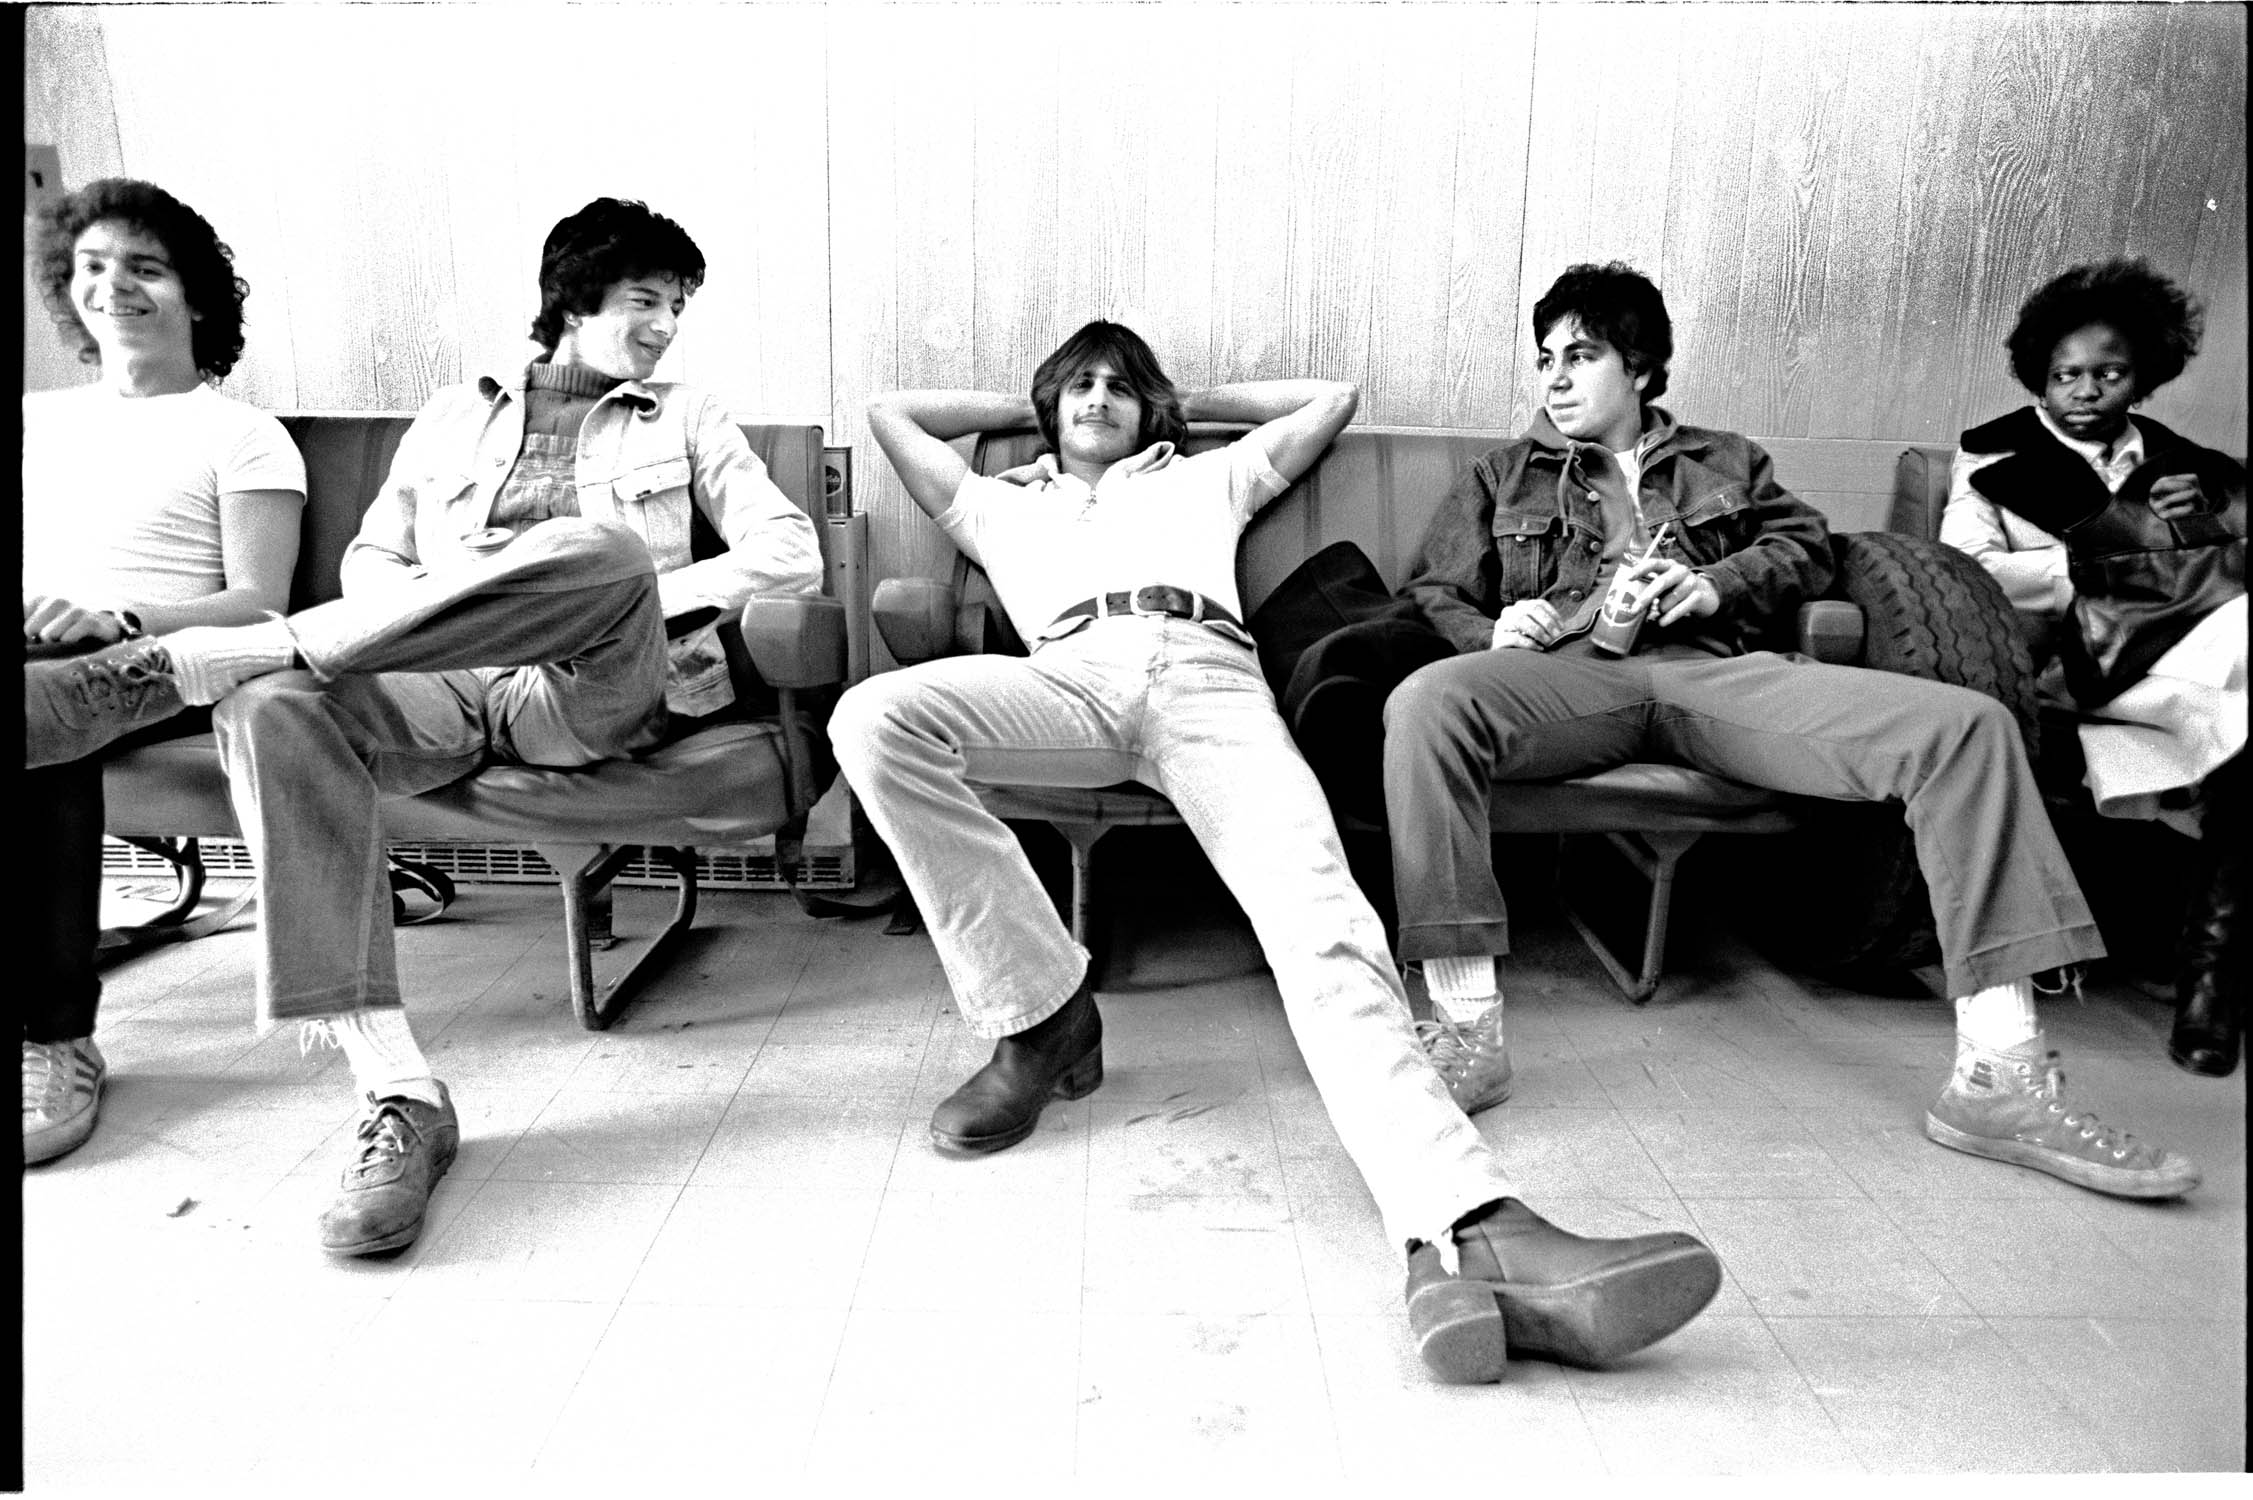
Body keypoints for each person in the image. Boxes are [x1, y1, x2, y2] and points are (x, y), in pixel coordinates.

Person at [830, 320, 1723, 1385]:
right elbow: (889, 412)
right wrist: (1037, 410)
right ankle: (1041, 1014)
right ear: (1049, 405)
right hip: (1065, 678)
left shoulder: (1204, 478)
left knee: (1322, 921)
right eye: (1080, 387)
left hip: (1212, 682)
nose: (1098, 399)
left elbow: (1330, 398)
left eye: (1120, 387)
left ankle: (1462, 1231)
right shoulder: (995, 504)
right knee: (872, 719)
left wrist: (1176, 406)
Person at [25, 198, 825, 1255]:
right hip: (434, 677)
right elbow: (373, 561)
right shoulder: (452, 417)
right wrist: (430, 621)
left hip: (582, 684)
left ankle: (205, 659)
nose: (666, 325)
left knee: (604, 555)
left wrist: (625, 603)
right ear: (574, 301)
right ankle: (398, 1092)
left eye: (677, 307)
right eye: (645, 299)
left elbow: (789, 554)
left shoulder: (687, 414)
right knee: (274, 706)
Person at [1382, 262, 2200, 1200]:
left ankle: (1999, 1078)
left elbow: (1810, 546)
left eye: (1581, 356)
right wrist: (1493, 629)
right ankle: (1468, 1033)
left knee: (1967, 727)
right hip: (1561, 676)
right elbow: (1431, 589)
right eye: (1544, 360)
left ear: (1639, 369)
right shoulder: (1501, 474)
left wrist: (1713, 585)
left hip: (1718, 674)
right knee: (1427, 703)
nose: (1554, 379)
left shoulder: (1727, 459)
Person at [22, 177, 306, 1166]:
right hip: (33, 651)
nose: (113, 287)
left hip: (165, 663)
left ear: (197, 299)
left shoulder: (241, 433)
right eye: (92, 266)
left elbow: (262, 604)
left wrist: (120, 617)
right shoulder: (35, 418)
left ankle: (55, 1038)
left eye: (144, 268)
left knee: (38, 710)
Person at [1941, 259, 2246, 1076]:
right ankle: (2210, 981)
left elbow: (2226, 571)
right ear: (2038, 376)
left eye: (2107, 374)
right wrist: (2118, 556)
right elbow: (1966, 571)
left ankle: (2210, 981)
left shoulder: (2185, 465)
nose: (2084, 391)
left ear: (2140, 376)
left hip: (2193, 670)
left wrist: (2197, 524)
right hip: (2080, 670)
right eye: (2064, 375)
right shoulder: (1992, 456)